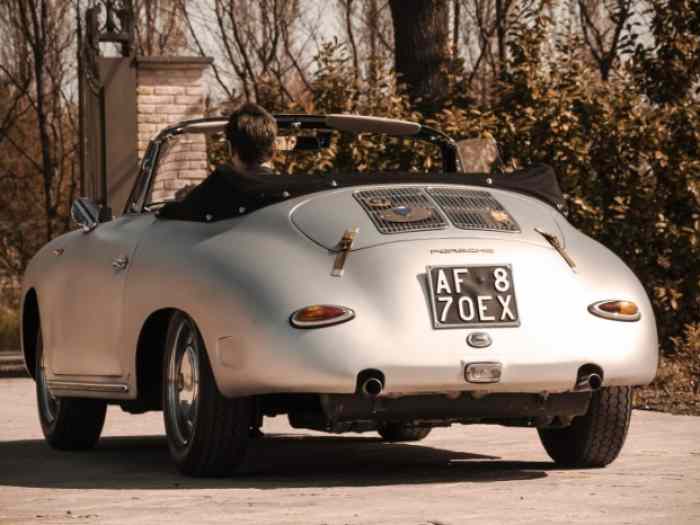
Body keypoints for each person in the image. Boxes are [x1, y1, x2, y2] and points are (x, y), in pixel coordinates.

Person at [158, 102, 278, 222]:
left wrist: (187, 197)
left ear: (230, 148)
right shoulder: (286, 192)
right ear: (273, 149)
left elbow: (167, 212)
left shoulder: (216, 188)